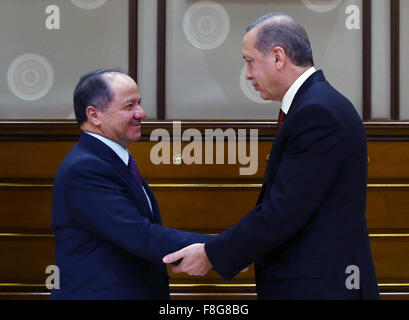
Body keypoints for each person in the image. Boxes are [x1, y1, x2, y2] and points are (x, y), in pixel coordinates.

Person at [163, 13, 379, 300]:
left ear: (278, 57)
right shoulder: (317, 104)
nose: (248, 74)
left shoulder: (317, 113)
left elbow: (284, 211)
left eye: (250, 62)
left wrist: (214, 254)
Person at [51, 68, 212, 299]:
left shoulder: (108, 159)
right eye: (129, 106)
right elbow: (141, 236)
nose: (142, 113)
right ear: (94, 115)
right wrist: (222, 248)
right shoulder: (85, 169)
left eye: (139, 103)